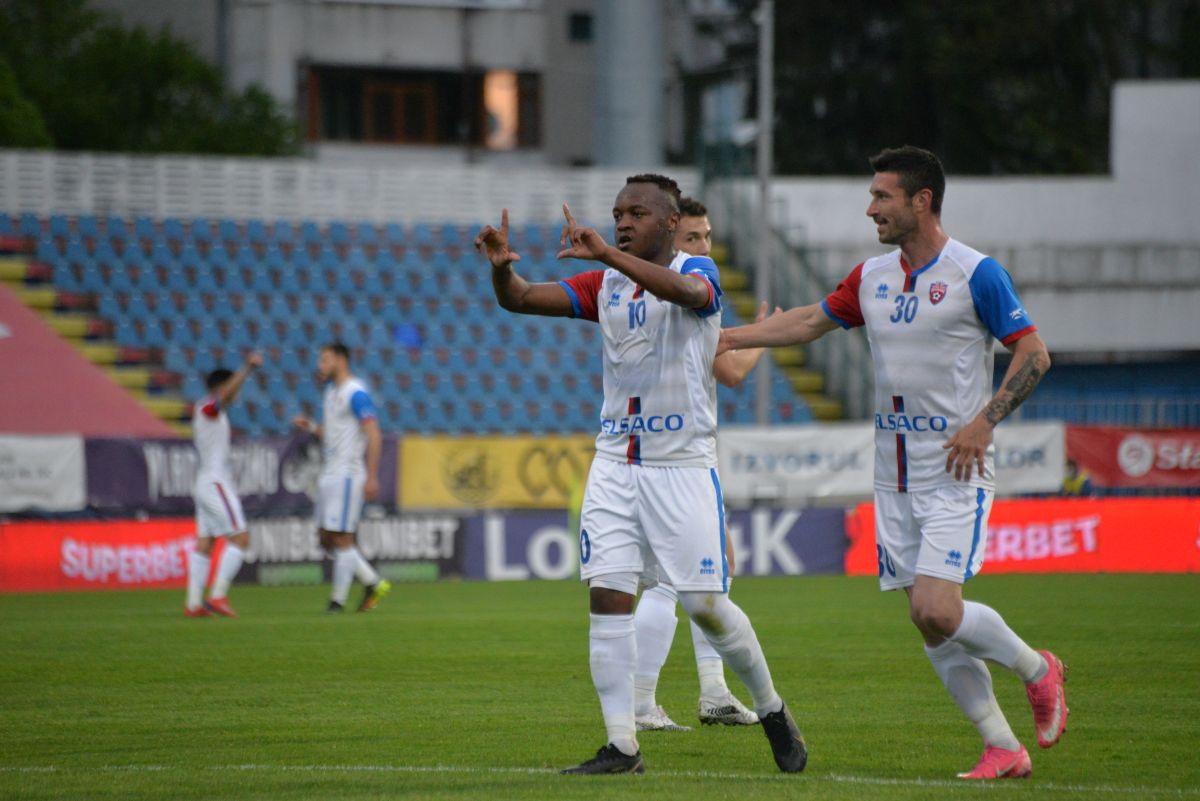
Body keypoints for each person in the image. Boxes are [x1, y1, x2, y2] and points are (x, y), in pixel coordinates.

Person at [718, 146, 1068, 780]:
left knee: (937, 608)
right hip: (893, 476)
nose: (870, 207)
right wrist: (732, 337)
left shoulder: (976, 273)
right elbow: (806, 322)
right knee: (928, 625)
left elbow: (1035, 354)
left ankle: (1038, 670)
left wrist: (983, 423)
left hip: (955, 470)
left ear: (921, 201)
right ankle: (1002, 746)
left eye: (882, 196)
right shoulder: (872, 277)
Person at [475, 175, 807, 776]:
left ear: (670, 222)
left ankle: (773, 709)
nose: (623, 221)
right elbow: (521, 298)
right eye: (617, 213)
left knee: (706, 606)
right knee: (608, 597)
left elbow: (687, 294)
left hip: (680, 468)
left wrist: (608, 252)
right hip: (614, 463)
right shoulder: (605, 283)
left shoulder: (697, 271)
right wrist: (501, 267)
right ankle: (622, 745)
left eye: (636, 213)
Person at [633, 195, 767, 732]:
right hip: (672, 458)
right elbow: (731, 371)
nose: (704, 248)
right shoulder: (679, 296)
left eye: (708, 237)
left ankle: (712, 691)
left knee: (711, 571)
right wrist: (761, 335)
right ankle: (643, 703)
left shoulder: (666, 291)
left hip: (658, 452)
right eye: (693, 238)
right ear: (669, 239)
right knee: (672, 583)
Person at [293, 342, 391, 614]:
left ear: (341, 360)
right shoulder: (331, 392)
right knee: (325, 537)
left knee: (342, 537)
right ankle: (373, 581)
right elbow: (334, 433)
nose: (320, 365)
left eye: (325, 360)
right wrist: (312, 427)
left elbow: (373, 434)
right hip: (329, 472)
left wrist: (372, 476)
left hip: (348, 474)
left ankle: (337, 602)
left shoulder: (355, 393)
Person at [186, 352, 262, 618]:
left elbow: (225, 398)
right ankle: (218, 596)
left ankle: (194, 604)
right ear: (221, 387)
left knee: (205, 543)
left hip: (205, 482)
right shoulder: (208, 408)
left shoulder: (208, 412)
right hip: (215, 482)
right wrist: (247, 369)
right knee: (240, 538)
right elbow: (225, 397)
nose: (236, 392)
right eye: (231, 386)